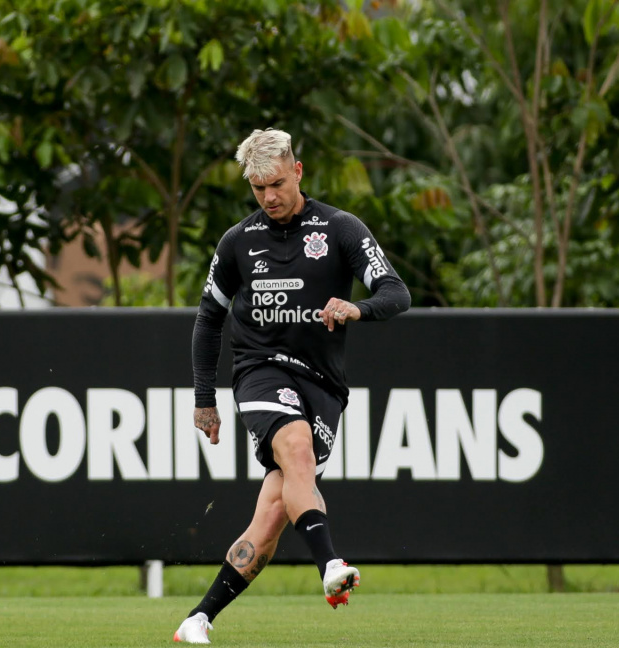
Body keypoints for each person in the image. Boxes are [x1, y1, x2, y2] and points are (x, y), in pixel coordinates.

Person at [173, 128, 411, 644]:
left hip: (324, 385)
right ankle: (330, 565)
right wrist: (204, 399)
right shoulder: (237, 242)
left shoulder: (340, 228)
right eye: (258, 189)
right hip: (259, 370)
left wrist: (358, 308)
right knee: (296, 449)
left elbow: (397, 291)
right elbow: (209, 319)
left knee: (275, 511)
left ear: (297, 171)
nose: (270, 197)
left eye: (277, 184)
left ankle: (198, 618)